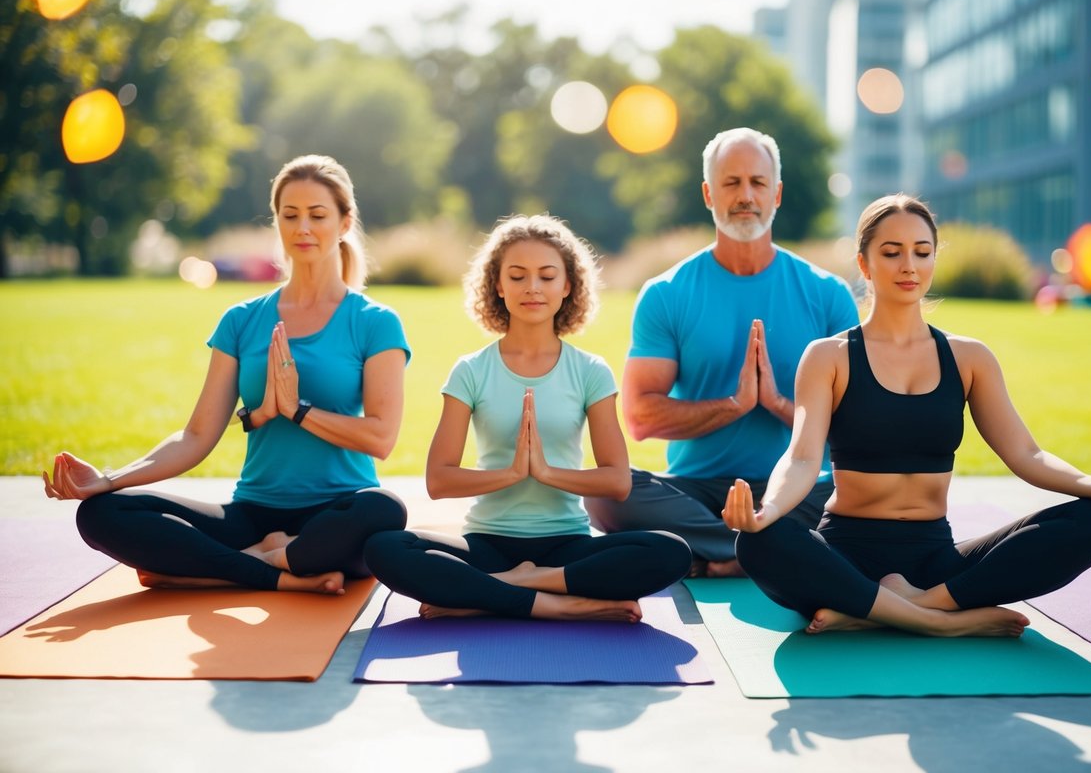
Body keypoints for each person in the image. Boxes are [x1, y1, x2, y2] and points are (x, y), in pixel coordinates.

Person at [723, 193, 1091, 636]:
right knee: (759, 540)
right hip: (845, 553)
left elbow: (1027, 455)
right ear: (864, 263)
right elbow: (801, 458)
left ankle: (894, 607)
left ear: (935, 258)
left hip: (934, 560)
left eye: (922, 252)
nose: (909, 266)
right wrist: (768, 511)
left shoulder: (969, 358)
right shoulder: (829, 357)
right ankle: (939, 623)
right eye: (891, 253)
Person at [42, 154, 410, 594]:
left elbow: (380, 438)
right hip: (253, 514)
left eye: (317, 215)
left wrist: (296, 411)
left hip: (340, 511)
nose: (303, 228)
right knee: (101, 514)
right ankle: (278, 569)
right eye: (290, 215)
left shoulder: (375, 322)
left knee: (386, 511)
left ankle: (221, 567)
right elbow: (196, 436)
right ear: (276, 222)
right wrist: (109, 480)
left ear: (345, 222)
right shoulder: (241, 320)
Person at [364, 214, 691, 622]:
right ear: (497, 286)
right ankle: (560, 605)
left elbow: (617, 481)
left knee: (671, 551)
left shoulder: (590, 371)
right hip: (486, 544)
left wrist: (546, 472)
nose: (532, 287)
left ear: (567, 285)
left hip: (565, 544)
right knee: (385, 548)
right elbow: (439, 480)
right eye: (517, 276)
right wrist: (512, 473)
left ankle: (497, 590)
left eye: (547, 276)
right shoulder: (471, 370)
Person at [585, 127, 859, 577]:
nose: (745, 195)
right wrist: (734, 406)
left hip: (794, 489)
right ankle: (757, 549)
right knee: (607, 491)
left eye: (757, 182)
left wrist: (775, 404)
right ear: (709, 194)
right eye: (731, 183)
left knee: (851, 497)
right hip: (698, 490)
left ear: (778, 194)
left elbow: (854, 423)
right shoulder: (667, 294)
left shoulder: (827, 294)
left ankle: (718, 550)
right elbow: (640, 418)